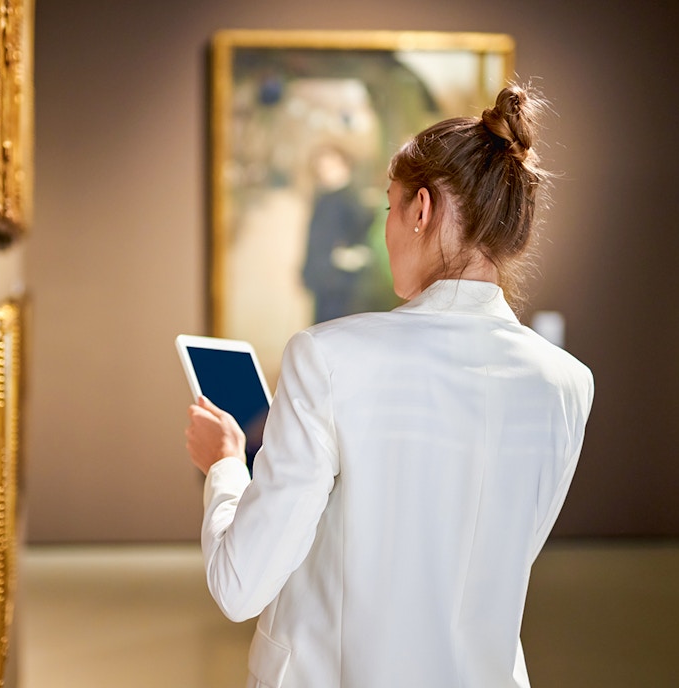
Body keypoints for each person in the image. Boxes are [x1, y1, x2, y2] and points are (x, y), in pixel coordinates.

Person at [184, 84, 594, 688]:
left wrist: (225, 466)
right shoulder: (568, 383)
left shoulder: (327, 357)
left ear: (420, 210)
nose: (386, 229)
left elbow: (239, 584)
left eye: (388, 209)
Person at [301, 145, 376, 323]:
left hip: (340, 284)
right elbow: (315, 239)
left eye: (330, 165)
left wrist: (348, 256)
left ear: (344, 165)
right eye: (321, 166)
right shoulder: (323, 197)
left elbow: (362, 234)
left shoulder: (352, 198)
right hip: (322, 279)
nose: (325, 170)